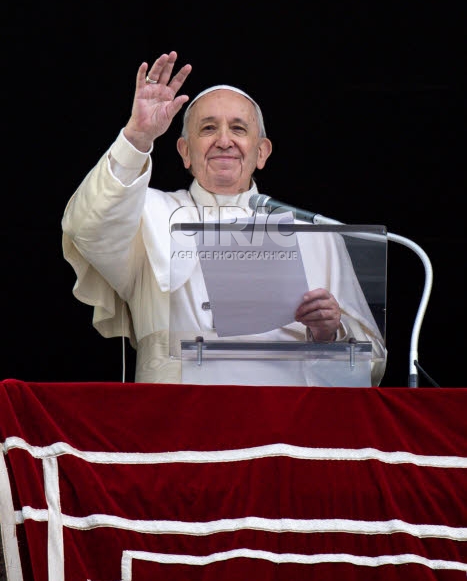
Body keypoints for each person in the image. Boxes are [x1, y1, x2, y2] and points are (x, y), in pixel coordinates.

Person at [62, 50, 387, 385]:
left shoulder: (315, 235)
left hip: (281, 427)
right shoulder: (146, 214)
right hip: (176, 422)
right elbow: (86, 227)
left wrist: (329, 333)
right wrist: (137, 137)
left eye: (238, 128)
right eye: (207, 128)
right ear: (184, 152)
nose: (224, 141)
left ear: (262, 152)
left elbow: (372, 366)